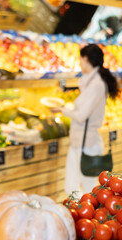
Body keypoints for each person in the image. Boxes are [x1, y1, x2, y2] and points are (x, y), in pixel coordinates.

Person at [52, 44, 119, 196]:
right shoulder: (90, 82)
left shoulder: (96, 85)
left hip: (87, 144)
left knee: (87, 189)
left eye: (80, 59)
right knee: (72, 187)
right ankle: (78, 215)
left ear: (86, 59)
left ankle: (87, 218)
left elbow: (82, 115)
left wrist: (62, 110)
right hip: (79, 141)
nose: (79, 63)